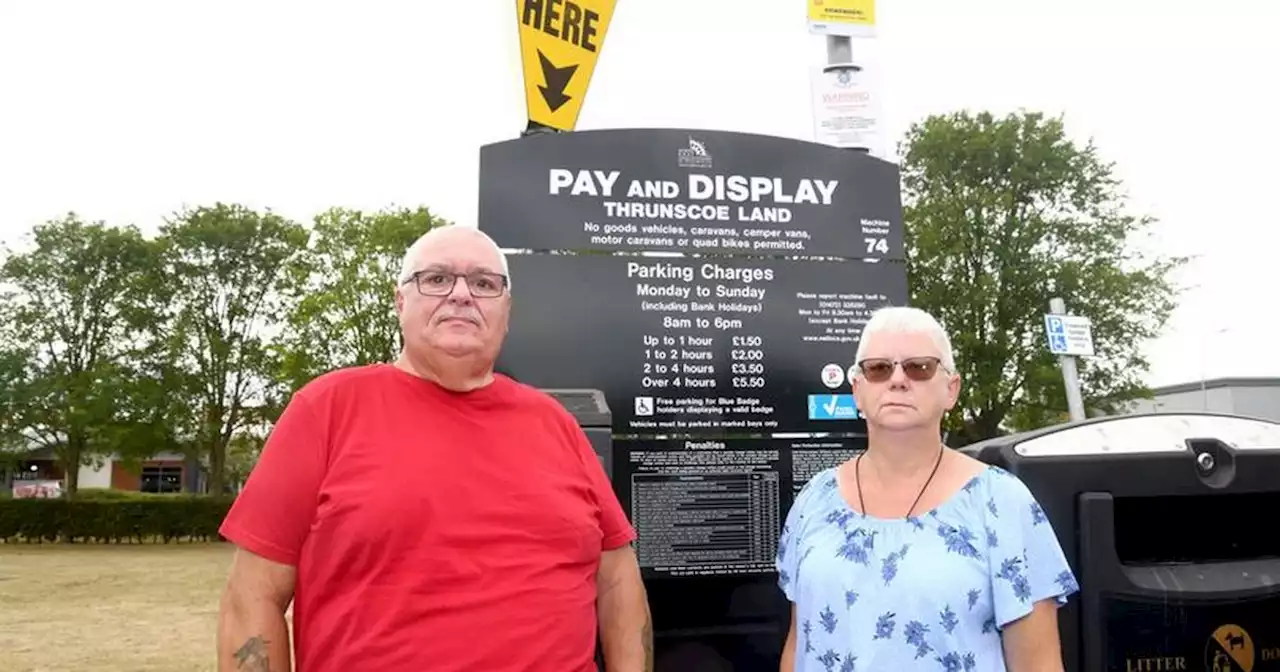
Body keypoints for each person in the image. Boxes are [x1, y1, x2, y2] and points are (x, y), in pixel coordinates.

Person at [216, 224, 653, 672]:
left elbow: (617, 579)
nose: (461, 294)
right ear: (400, 301)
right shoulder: (326, 410)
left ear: (507, 310)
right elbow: (254, 595)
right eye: (437, 278)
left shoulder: (556, 424)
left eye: (484, 283)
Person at [776, 306, 1078, 672]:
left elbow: (1038, 664)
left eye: (919, 367)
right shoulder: (814, 501)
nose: (898, 380)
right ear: (857, 389)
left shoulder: (1001, 503)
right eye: (879, 368)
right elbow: (799, 645)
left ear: (951, 388)